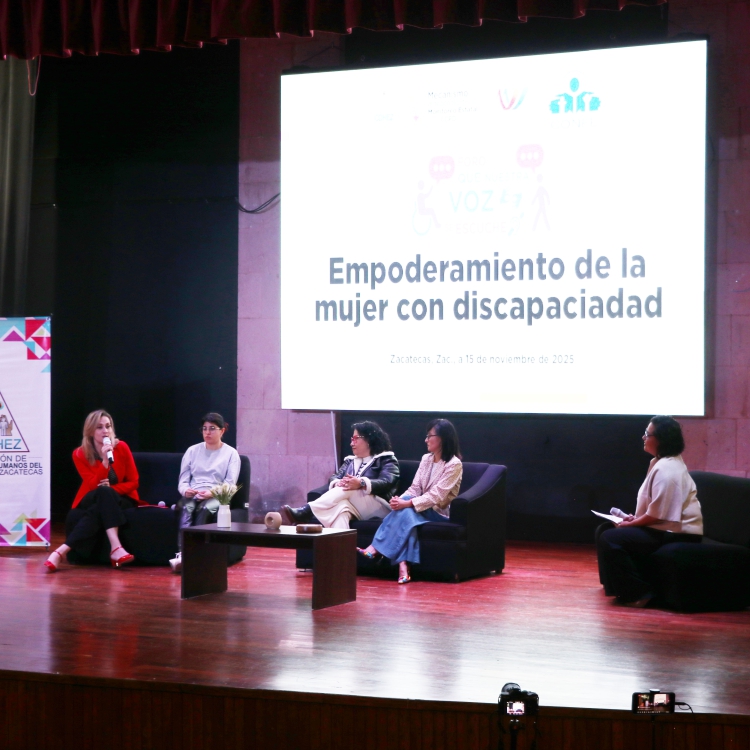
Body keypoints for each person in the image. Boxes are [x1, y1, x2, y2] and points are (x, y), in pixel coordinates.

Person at [596, 416, 703, 607]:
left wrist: (631, 524)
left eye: (647, 434)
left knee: (611, 538)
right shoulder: (660, 462)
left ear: (661, 439)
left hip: (678, 533)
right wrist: (634, 520)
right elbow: (656, 509)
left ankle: (640, 594)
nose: (643, 437)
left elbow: (658, 515)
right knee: (604, 529)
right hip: (664, 527)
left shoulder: (668, 469)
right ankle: (615, 588)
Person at [358, 419, 463, 584]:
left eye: (430, 436)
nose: (426, 440)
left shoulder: (454, 464)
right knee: (407, 515)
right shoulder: (426, 459)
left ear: (442, 438)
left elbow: (436, 495)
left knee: (406, 508)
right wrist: (400, 500)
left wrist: (406, 503)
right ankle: (403, 567)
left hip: (438, 512)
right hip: (418, 509)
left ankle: (375, 548)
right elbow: (415, 488)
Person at [45, 410, 144, 571]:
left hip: (123, 497)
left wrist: (111, 489)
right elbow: (93, 485)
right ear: (90, 431)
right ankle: (116, 548)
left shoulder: (121, 447)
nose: (105, 431)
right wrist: (105, 461)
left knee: (102, 501)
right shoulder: (79, 454)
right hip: (92, 495)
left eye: (108, 426)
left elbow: (134, 482)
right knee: (103, 493)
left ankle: (60, 551)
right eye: (99, 427)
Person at [284, 421, 399, 530]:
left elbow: (387, 482)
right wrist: (338, 483)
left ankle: (307, 511)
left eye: (355, 439)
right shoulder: (350, 461)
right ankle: (341, 544)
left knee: (348, 488)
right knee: (341, 510)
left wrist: (361, 483)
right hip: (355, 505)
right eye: (351, 439)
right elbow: (335, 477)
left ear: (369, 439)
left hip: (379, 507)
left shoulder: (387, 459)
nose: (351, 443)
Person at [170, 412, 241, 573]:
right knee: (187, 508)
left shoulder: (231, 453)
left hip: (217, 495)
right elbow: (183, 480)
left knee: (205, 508)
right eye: (204, 428)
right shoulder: (192, 451)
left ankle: (198, 553)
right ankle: (183, 554)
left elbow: (230, 484)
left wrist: (212, 493)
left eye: (212, 428)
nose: (207, 432)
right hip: (194, 493)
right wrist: (185, 490)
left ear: (222, 430)